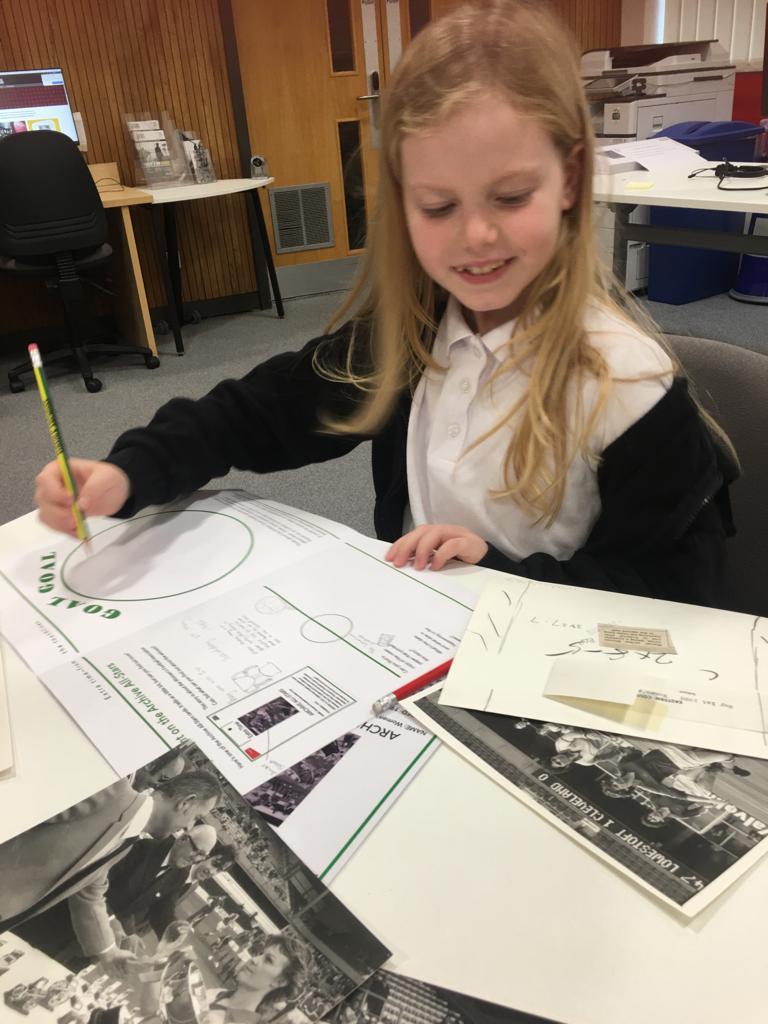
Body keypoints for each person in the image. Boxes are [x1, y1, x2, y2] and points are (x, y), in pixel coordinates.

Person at [33, 1, 736, 606]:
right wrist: (131, 471)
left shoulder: (628, 387)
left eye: (511, 196)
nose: (476, 236)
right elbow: (253, 414)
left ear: (569, 178)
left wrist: (501, 577)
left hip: (548, 677)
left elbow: (674, 600)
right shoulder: (412, 337)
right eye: (437, 206)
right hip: (424, 639)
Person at [0, 769, 221, 972]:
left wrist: (109, 952)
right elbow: (14, 808)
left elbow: (90, 893)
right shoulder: (110, 791)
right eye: (195, 817)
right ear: (186, 803)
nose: (188, 826)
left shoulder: (127, 840)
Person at [107, 823, 218, 936]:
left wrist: (174, 931)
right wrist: (127, 930)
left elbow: (163, 911)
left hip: (111, 927)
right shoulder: (145, 848)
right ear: (183, 839)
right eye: (196, 851)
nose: (196, 859)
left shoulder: (181, 875)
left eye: (202, 856)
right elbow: (110, 886)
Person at [207, 933, 310, 1024]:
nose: (254, 960)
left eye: (269, 960)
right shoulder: (217, 994)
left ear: (280, 981)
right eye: (261, 954)